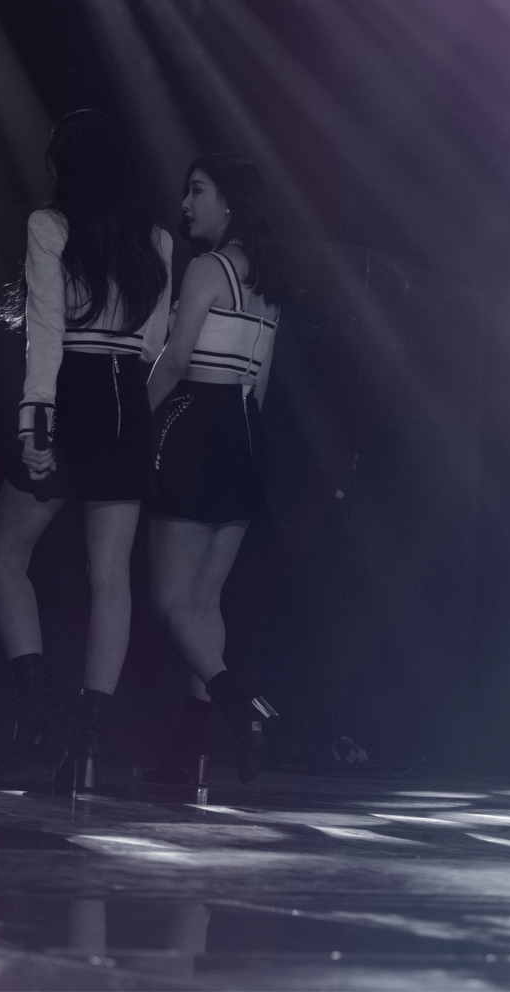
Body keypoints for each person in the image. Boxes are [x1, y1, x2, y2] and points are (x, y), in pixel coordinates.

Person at [0, 110, 172, 788]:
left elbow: (45, 330)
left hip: (70, 394)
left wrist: (34, 425)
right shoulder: (157, 239)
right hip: (127, 395)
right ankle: (88, 743)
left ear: (65, 163)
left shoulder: (50, 226)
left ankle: (41, 718)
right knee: (111, 576)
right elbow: (153, 344)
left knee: (6, 557)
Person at [144, 153, 283, 784]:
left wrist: (131, 421)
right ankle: (192, 749)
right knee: (204, 604)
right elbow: (261, 385)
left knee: (173, 604)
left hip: (198, 426)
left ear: (228, 200)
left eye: (196, 190)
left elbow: (174, 362)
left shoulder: (207, 268)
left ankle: (242, 706)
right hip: (246, 435)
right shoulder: (269, 280)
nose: (185, 203)